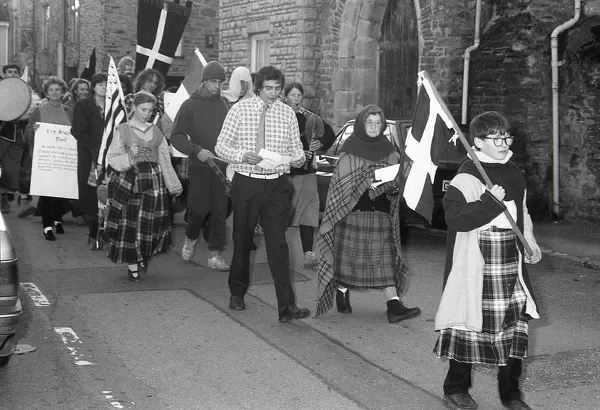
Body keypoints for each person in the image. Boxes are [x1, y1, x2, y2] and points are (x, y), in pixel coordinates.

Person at [433, 111, 542, 410]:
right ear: (479, 142)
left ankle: (511, 394)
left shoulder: (514, 172)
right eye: (496, 138)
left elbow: (522, 212)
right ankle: (456, 387)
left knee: (514, 327)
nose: (504, 143)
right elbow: (455, 220)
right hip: (477, 261)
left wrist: (530, 243)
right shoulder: (467, 175)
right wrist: (489, 202)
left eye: (506, 136)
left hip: (510, 259)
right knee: (469, 325)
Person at [215, 65, 311, 322]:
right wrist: (241, 155)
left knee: (279, 243)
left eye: (278, 89)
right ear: (258, 88)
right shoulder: (239, 110)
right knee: (243, 239)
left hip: (276, 184)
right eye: (268, 88)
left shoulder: (287, 113)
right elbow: (220, 145)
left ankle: (287, 305)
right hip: (246, 182)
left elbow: (297, 150)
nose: (274, 93)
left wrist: (299, 158)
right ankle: (237, 291)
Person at [315, 104, 421, 323]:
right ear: (362, 124)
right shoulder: (349, 149)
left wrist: (392, 186)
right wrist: (367, 181)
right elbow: (341, 186)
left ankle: (394, 306)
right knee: (348, 259)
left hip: (380, 213)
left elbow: (397, 183)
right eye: (369, 122)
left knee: (384, 260)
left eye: (378, 123)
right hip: (352, 212)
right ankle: (342, 290)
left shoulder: (390, 151)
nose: (374, 127)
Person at [105, 91, 182, 281]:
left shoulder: (156, 131)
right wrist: (130, 156)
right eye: (143, 109)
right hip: (128, 182)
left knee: (151, 223)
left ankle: (143, 254)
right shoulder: (122, 130)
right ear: (134, 108)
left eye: (150, 110)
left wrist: (172, 184)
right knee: (129, 223)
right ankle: (133, 263)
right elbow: (112, 158)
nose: (146, 114)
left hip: (153, 183)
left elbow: (164, 158)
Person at [171, 60, 230, 271]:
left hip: (222, 167)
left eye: (221, 82)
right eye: (214, 81)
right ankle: (191, 236)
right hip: (199, 166)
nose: (217, 86)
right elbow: (176, 136)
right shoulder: (190, 105)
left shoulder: (224, 105)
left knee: (219, 211)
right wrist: (196, 151)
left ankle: (215, 255)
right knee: (198, 210)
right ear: (204, 81)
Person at [283, 82, 335, 268]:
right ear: (285, 97)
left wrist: (319, 144)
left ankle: (308, 253)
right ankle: (279, 251)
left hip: (308, 172)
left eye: (299, 95)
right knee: (286, 212)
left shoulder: (309, 116)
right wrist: (297, 152)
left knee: (309, 212)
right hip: (289, 174)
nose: (296, 99)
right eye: (293, 95)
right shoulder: (281, 116)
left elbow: (329, 133)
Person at [26, 77, 73, 240]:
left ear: (63, 92)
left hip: (63, 159)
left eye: (57, 89)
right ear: (46, 92)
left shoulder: (69, 112)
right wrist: (33, 130)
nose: (54, 92)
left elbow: (76, 134)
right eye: (51, 90)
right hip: (45, 159)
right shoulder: (38, 111)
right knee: (46, 193)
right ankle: (47, 227)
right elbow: (28, 135)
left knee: (60, 192)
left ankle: (58, 220)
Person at [71, 72, 107, 249]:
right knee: (91, 195)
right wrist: (95, 150)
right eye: (100, 84)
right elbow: (77, 131)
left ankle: (106, 230)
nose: (103, 87)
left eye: (107, 84)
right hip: (90, 157)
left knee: (107, 194)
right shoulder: (83, 105)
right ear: (93, 86)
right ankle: (93, 230)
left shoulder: (114, 107)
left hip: (109, 158)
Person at [0, 64, 28, 212]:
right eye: (9, 72)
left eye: (15, 72)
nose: (12, 74)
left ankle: (4, 195)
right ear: (4, 75)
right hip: (2, 134)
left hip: (16, 135)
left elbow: (28, 114)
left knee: (10, 168)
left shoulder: (24, 92)